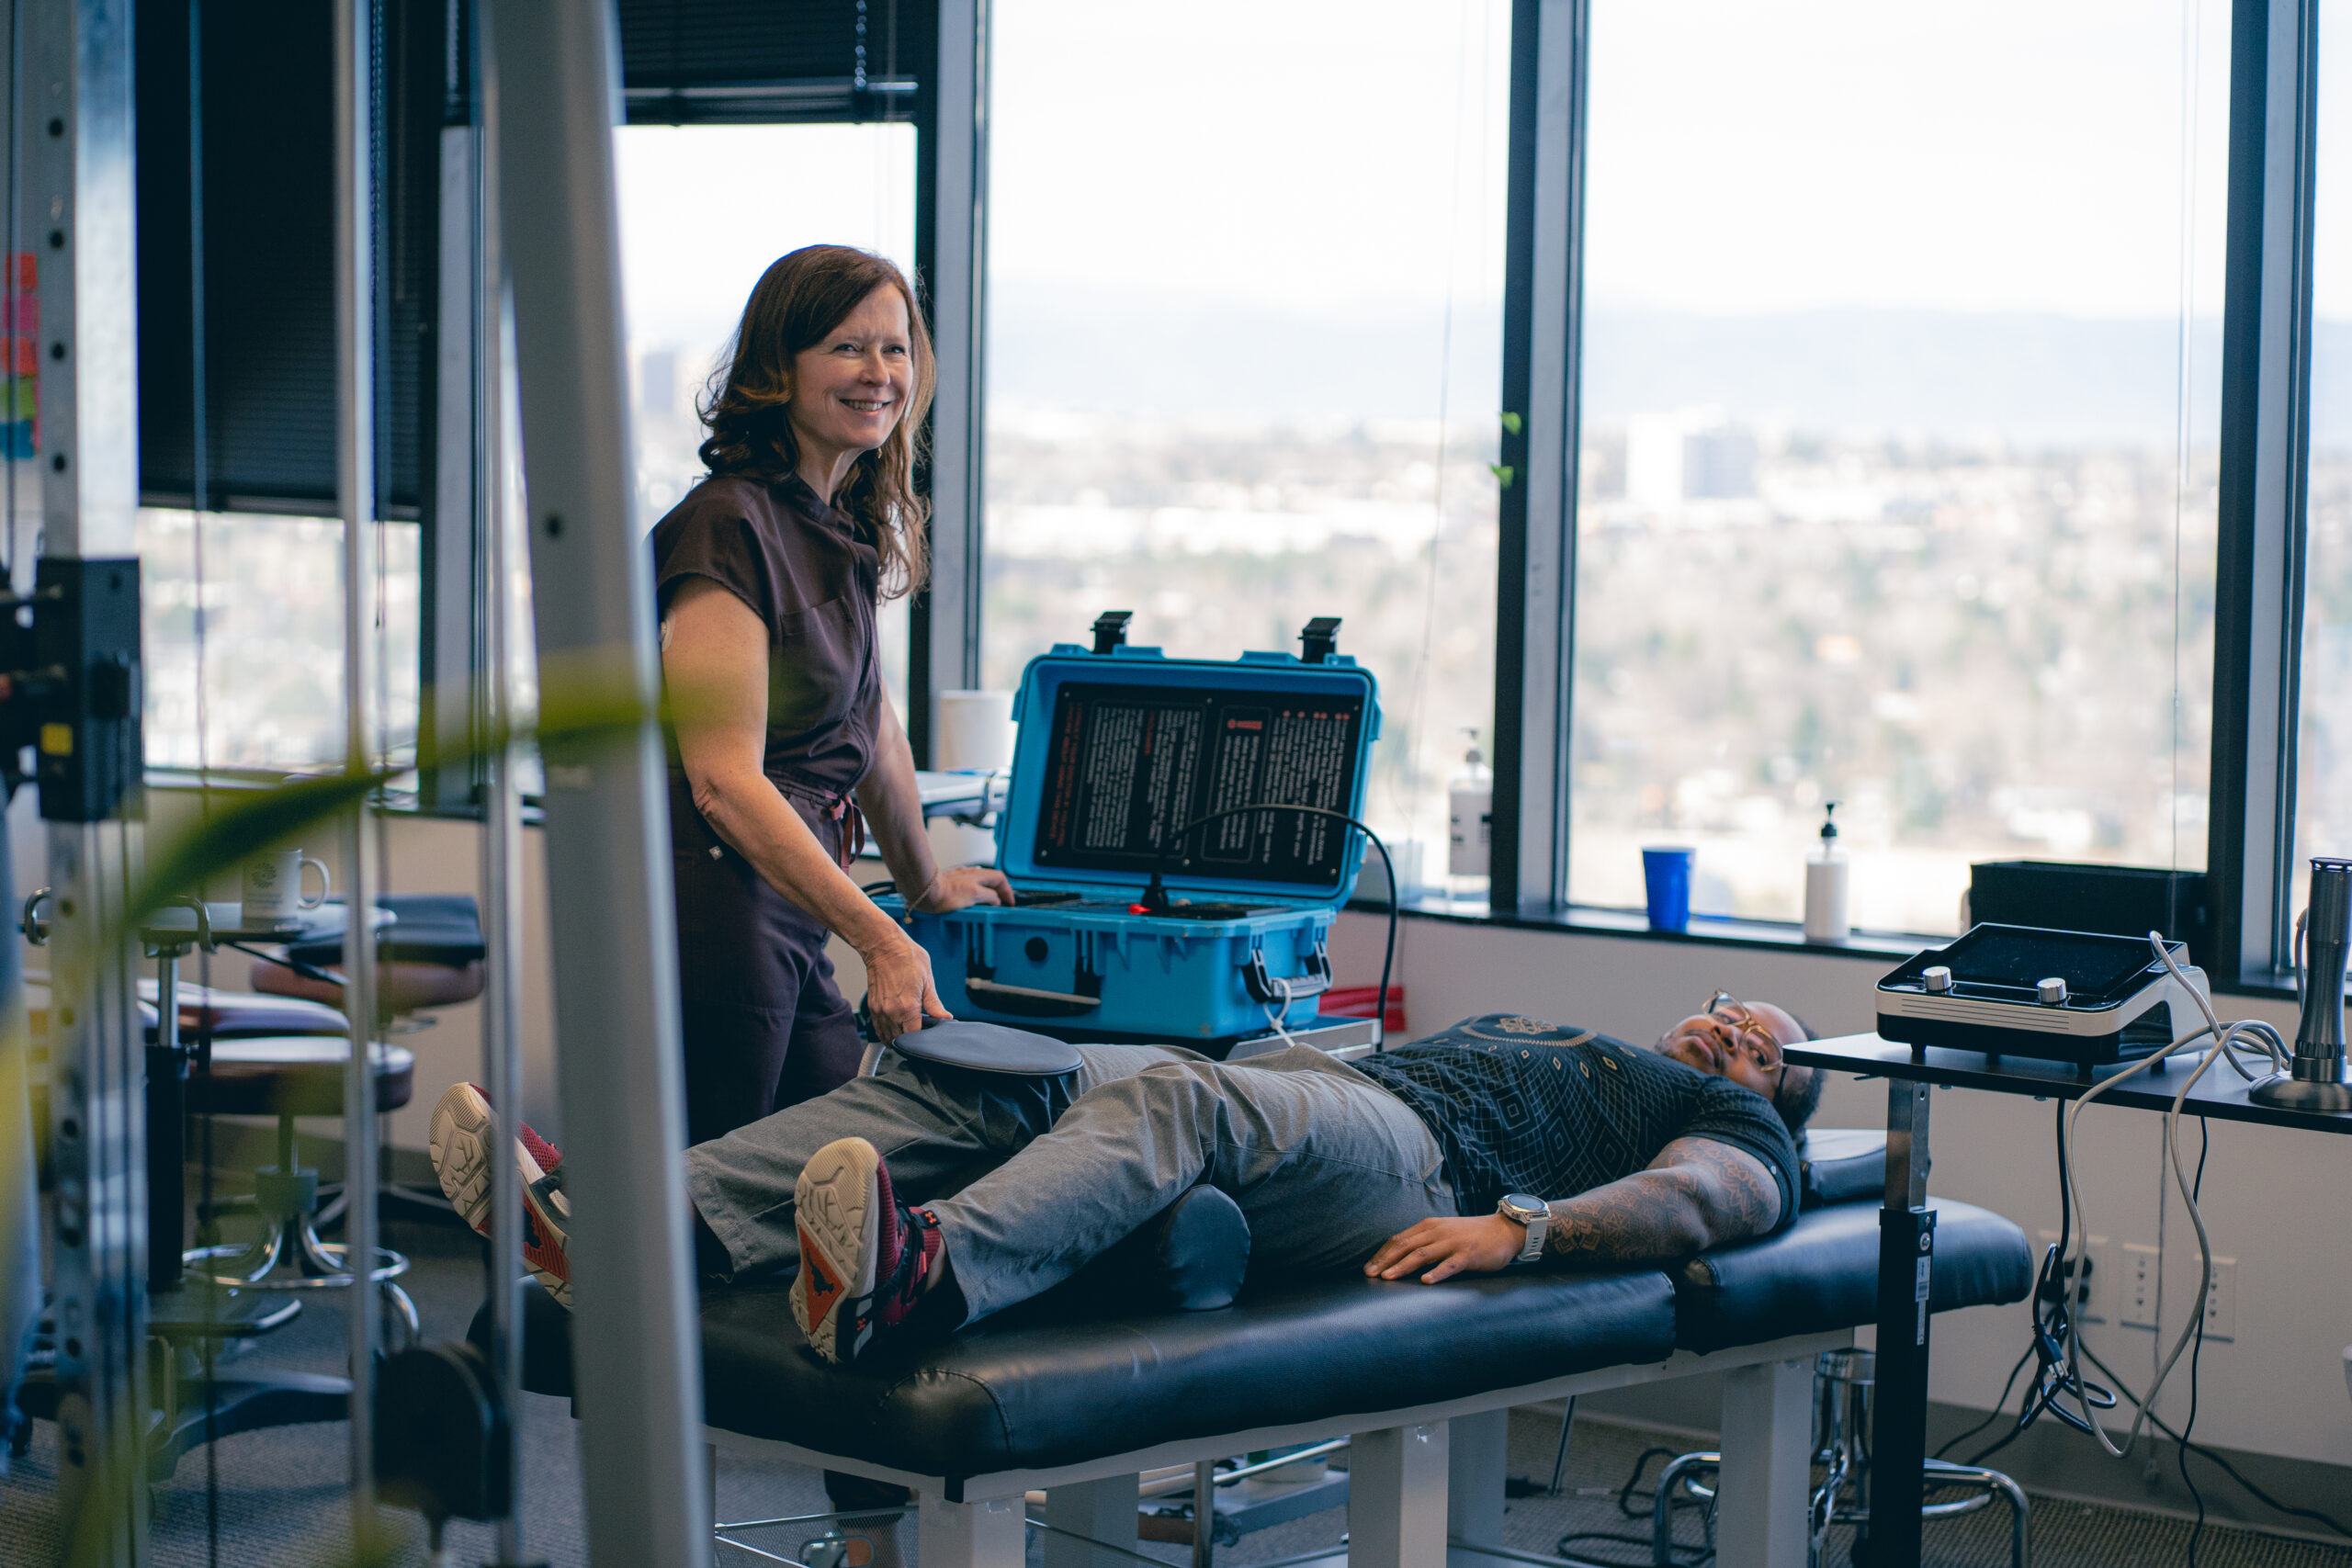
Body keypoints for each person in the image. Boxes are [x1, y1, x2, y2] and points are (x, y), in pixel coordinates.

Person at [428, 997, 1825, 1367]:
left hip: (1414, 1162)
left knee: (1181, 1098)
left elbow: (1712, 1203)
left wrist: (1525, 1229)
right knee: (988, 1069)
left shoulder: (1721, 1121)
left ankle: (922, 1280)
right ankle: (629, 1226)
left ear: (1775, 1093)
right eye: (1727, 1013)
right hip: (1325, 1090)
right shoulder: (1555, 1032)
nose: (1729, 1035)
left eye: (1763, 1047)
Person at [652, 244, 1012, 1148]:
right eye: (847, 348)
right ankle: (550, 1215)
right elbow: (723, 781)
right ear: (778, 368)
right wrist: (882, 939)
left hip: (791, 901)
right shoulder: (727, 526)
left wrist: (925, 885)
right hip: (716, 903)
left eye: (895, 349)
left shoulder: (835, 523)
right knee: (714, 1182)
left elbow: (870, 721)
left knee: (828, 1160)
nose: (878, 373)